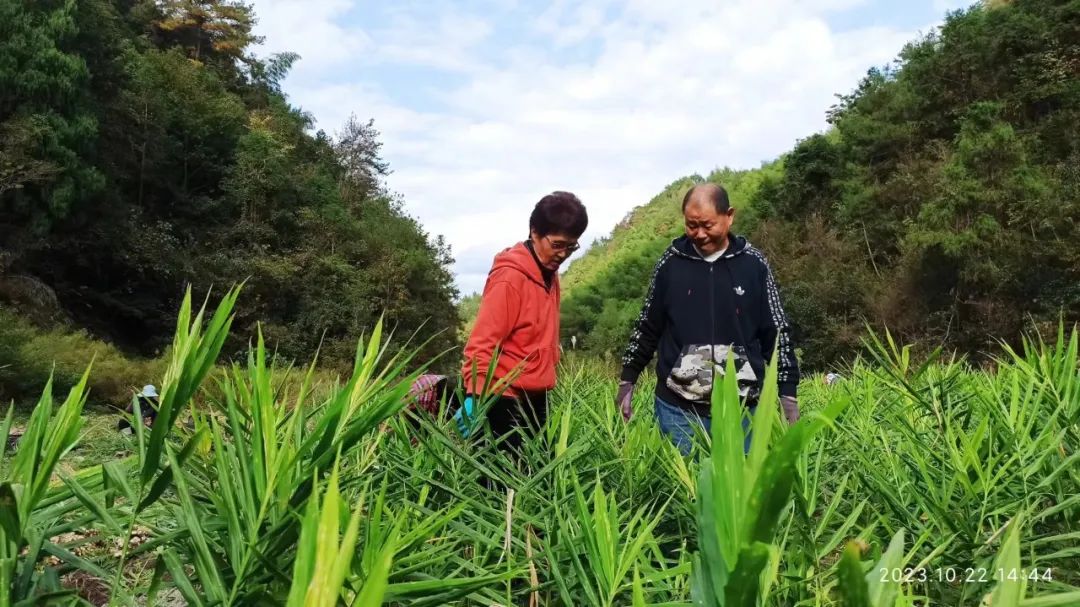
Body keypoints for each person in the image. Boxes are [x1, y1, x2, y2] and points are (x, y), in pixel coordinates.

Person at [615, 183, 800, 456]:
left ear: (729, 216)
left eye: (708, 225)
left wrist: (787, 392)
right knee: (683, 492)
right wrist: (628, 379)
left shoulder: (753, 264)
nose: (699, 234)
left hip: (743, 409)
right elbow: (647, 325)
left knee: (739, 494)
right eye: (691, 226)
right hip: (678, 410)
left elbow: (776, 330)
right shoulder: (671, 263)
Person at [460, 191, 588, 454]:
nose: (563, 254)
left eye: (571, 246)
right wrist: (475, 396)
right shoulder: (510, 278)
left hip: (536, 396)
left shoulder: (549, 274)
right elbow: (483, 341)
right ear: (534, 233)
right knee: (500, 485)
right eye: (557, 245)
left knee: (537, 477)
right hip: (501, 397)